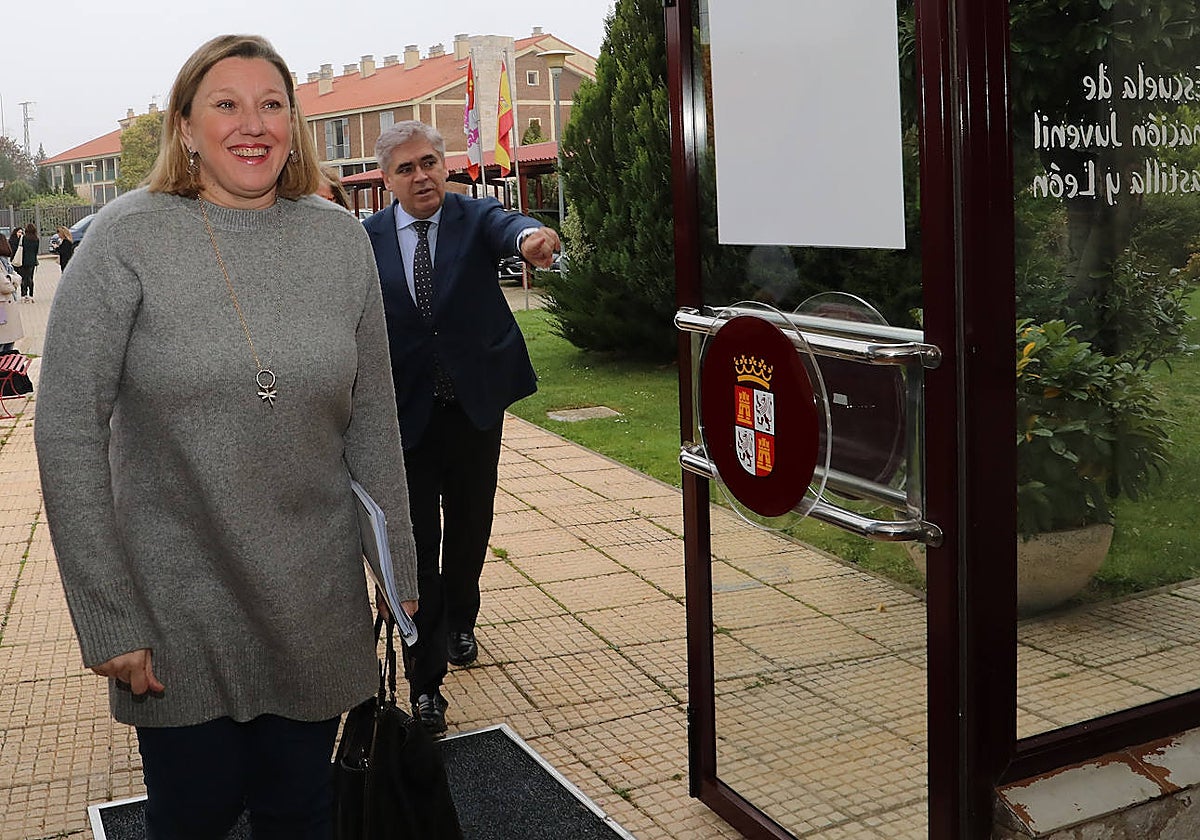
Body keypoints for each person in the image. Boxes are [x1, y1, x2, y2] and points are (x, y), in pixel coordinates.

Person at [34, 34, 419, 838]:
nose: (254, 124)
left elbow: (375, 413)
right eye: (226, 103)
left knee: (302, 813)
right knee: (192, 818)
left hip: (314, 602)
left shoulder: (339, 239)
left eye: (272, 103)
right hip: (178, 611)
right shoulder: (124, 241)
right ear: (184, 127)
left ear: (294, 124)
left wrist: (398, 567)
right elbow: (68, 426)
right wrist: (108, 616)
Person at [363, 120, 560, 734]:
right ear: (387, 179)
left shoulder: (475, 217)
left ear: (443, 164)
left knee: (470, 528)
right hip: (406, 414)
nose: (422, 176)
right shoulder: (364, 239)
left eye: (429, 163)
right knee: (418, 542)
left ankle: (460, 618)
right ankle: (425, 684)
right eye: (406, 168)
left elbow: (511, 228)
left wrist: (532, 237)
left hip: (473, 406)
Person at [0, 237, 22, 352]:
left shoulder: (5, 262)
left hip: (5, 306)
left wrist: (10, 278)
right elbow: (4, 286)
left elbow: (19, 277)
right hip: (2, 307)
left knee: (8, 341)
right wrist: (13, 283)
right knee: (4, 340)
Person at [14, 224, 38, 302]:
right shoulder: (36, 239)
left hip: (23, 260)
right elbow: (36, 251)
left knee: (23, 278)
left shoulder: (23, 238)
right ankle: (31, 295)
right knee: (30, 278)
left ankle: (23, 295)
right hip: (32, 261)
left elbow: (20, 248)